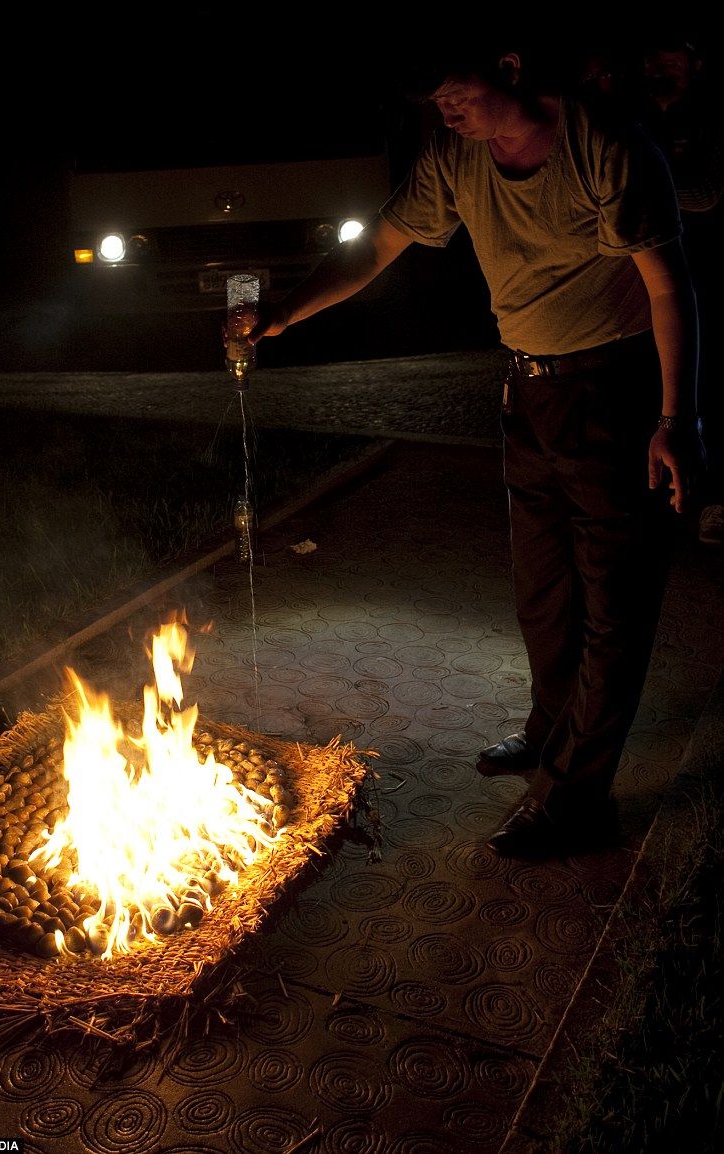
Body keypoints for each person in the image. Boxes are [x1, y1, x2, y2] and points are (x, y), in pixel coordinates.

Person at [243, 36, 703, 860]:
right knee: (543, 589)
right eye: (433, 102)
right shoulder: (456, 157)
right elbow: (376, 248)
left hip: (612, 389)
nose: (443, 112)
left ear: (511, 66)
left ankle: (575, 799)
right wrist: (285, 312)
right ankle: (550, 731)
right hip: (527, 391)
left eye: (453, 92)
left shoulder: (603, 146)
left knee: (613, 605)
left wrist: (676, 418)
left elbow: (670, 287)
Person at [635, 33, 724, 547]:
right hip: (651, 280)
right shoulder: (638, 117)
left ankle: (713, 500)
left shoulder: (708, 120)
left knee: (706, 384)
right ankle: (664, 495)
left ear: (694, 63)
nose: (657, 66)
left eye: (669, 57)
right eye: (652, 56)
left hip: (705, 273)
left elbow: (708, 194)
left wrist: (639, 195)